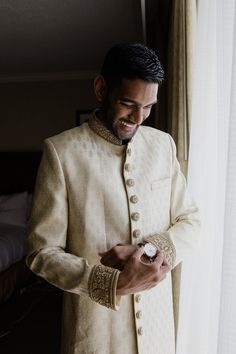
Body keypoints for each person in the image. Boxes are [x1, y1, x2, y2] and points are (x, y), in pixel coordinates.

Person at [26, 43, 200, 354]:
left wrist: (148, 250)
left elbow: (191, 220)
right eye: (128, 103)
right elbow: (41, 252)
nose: (138, 117)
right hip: (96, 335)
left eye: (148, 107)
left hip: (158, 336)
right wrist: (109, 283)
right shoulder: (62, 152)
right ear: (101, 88)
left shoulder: (163, 146)